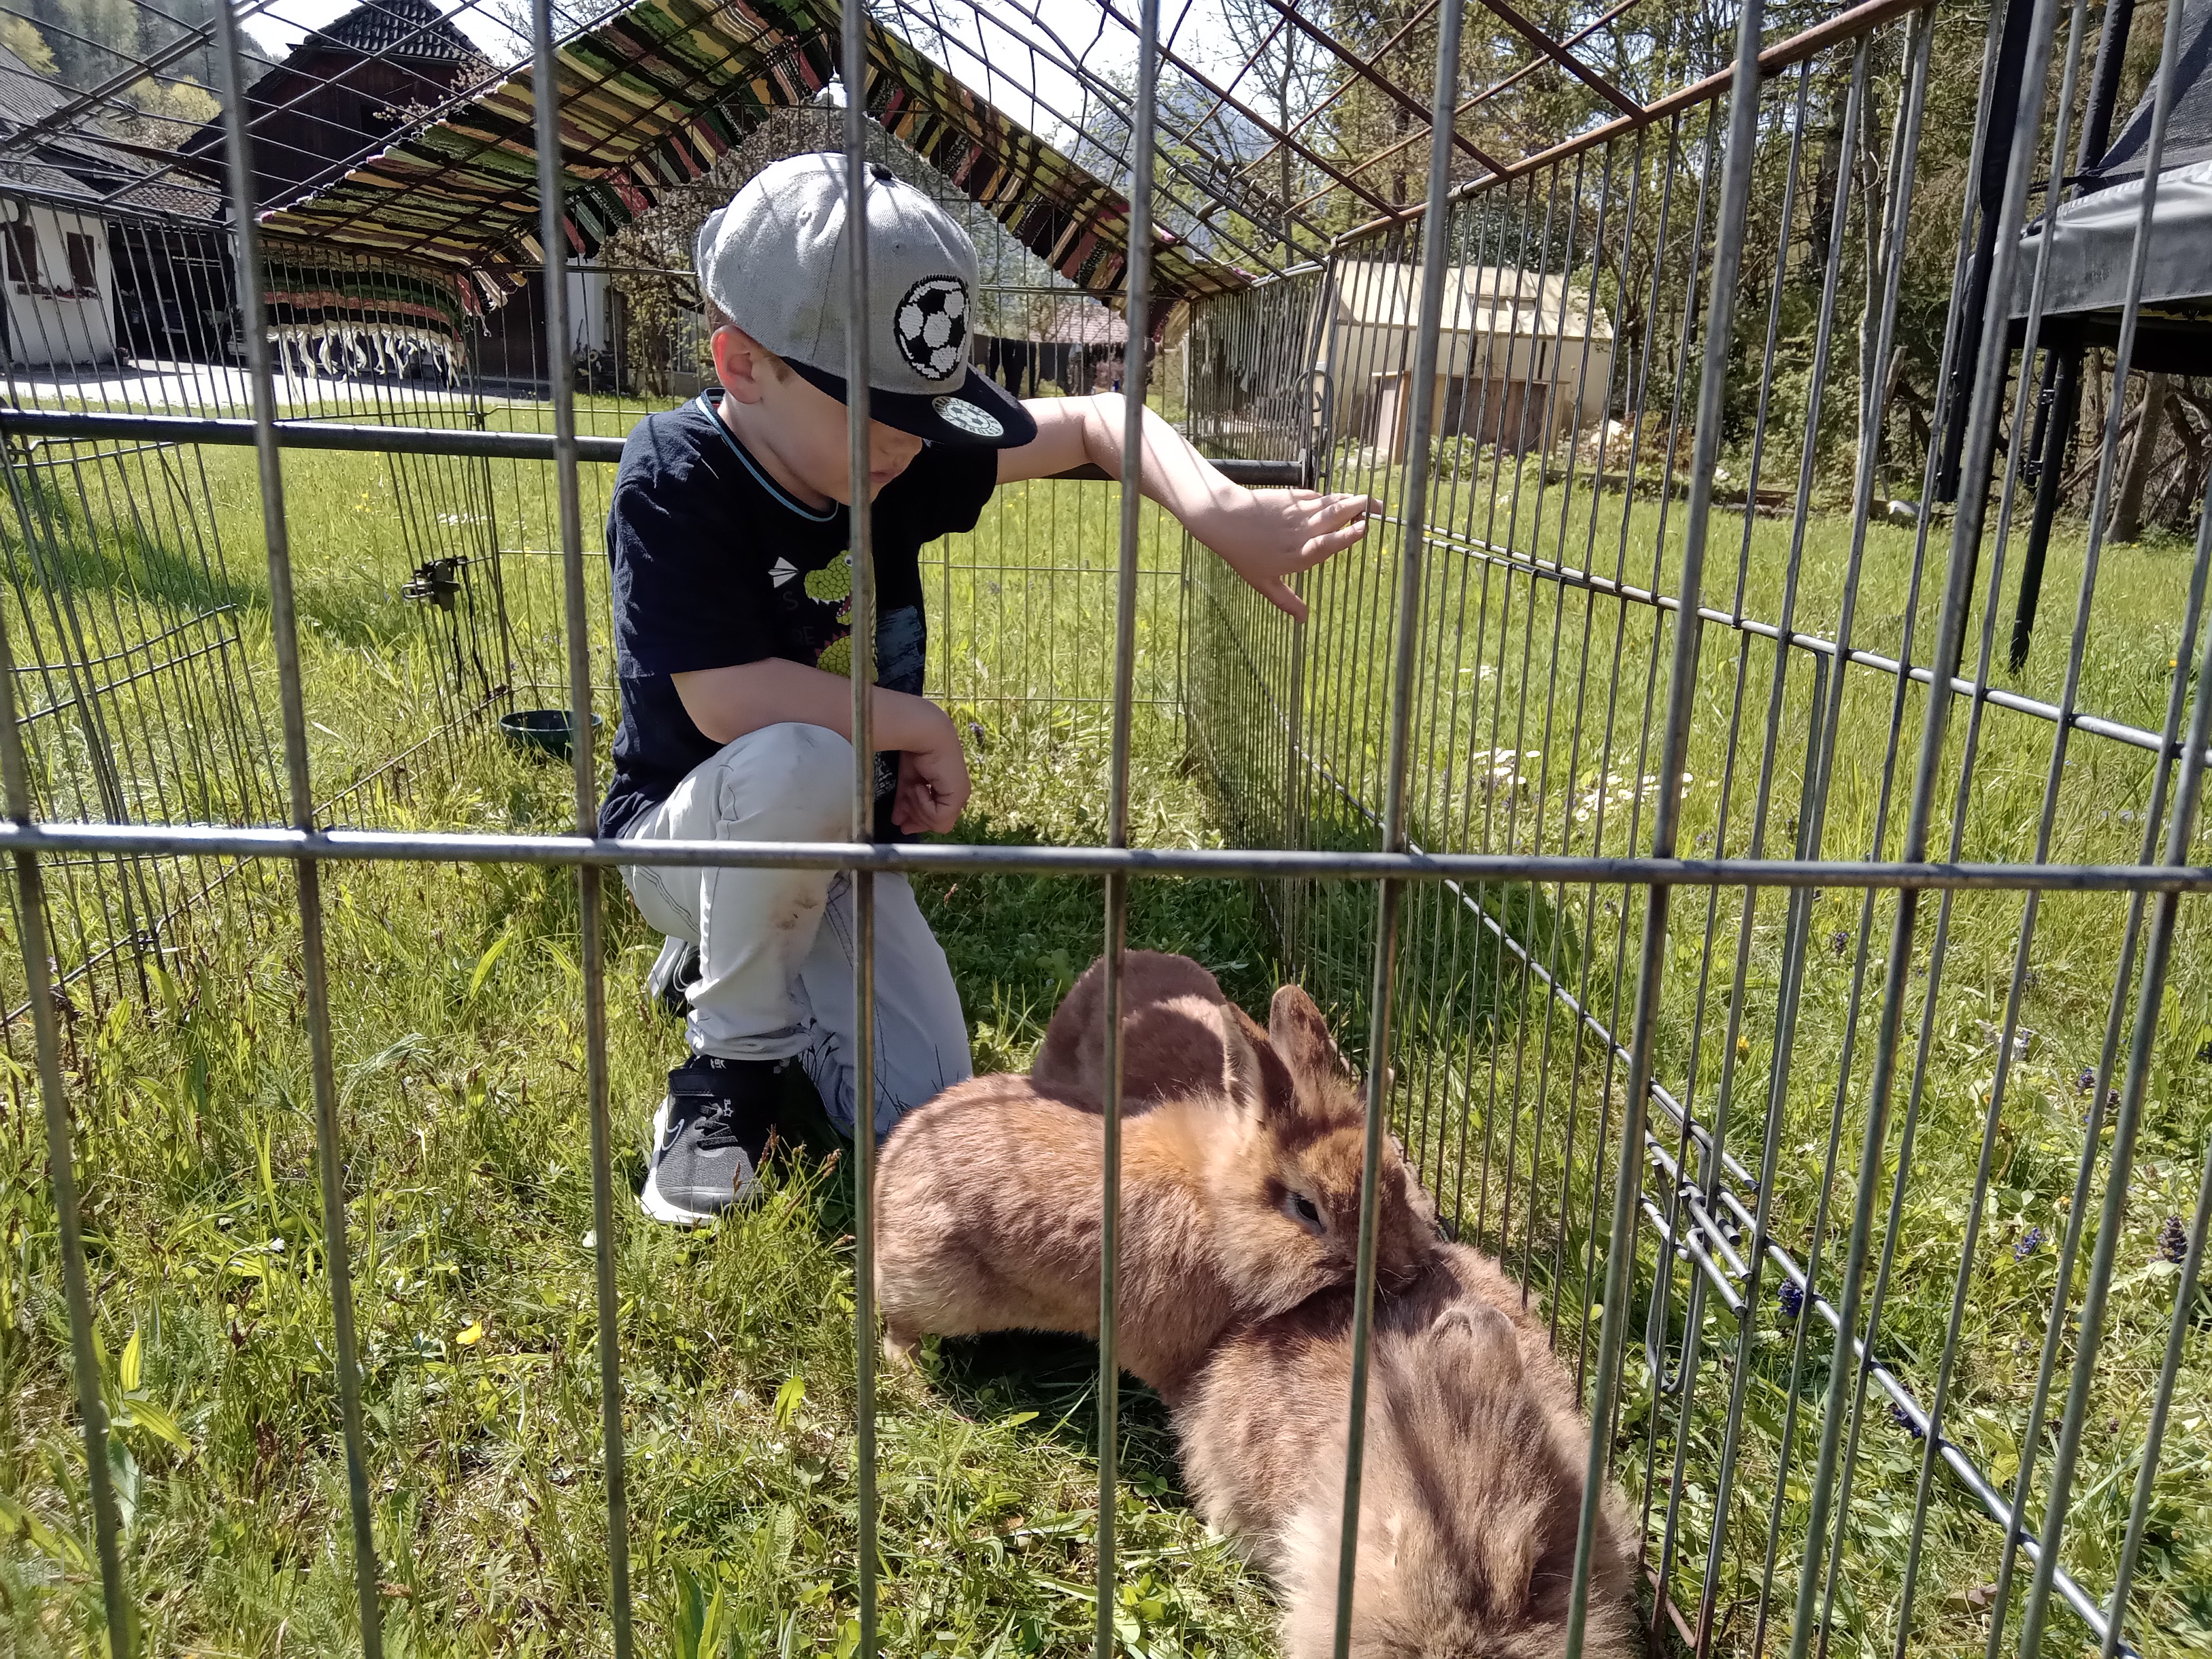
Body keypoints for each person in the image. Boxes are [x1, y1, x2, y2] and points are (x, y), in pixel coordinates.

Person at [605, 152, 1376, 1225]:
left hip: (840, 850)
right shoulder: (675, 473)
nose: (908, 441)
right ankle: (724, 1073)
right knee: (799, 759)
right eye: (873, 409)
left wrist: (1218, 510)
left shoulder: (896, 450)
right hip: (680, 839)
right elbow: (724, 700)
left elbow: (1107, 418)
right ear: (742, 365)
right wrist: (918, 724)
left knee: (929, 1123)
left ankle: (748, 954)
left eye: (925, 412)